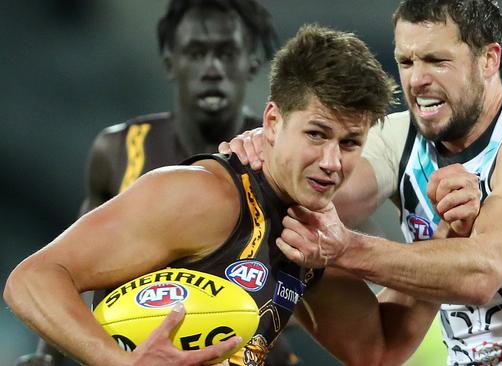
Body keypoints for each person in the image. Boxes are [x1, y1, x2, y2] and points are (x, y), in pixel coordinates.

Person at [2, 24, 473, 366]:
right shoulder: (198, 195)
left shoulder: (311, 235)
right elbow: (32, 280)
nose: (333, 162)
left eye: (350, 144)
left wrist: (444, 238)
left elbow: (376, 349)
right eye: (316, 134)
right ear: (271, 122)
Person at [222, 0, 502, 364]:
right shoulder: (399, 139)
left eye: (436, 61)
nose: (416, 80)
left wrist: (345, 248)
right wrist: (267, 157)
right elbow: (304, 196)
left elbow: (481, 274)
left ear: (489, 60)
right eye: (406, 62)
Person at [12, 1, 299, 365]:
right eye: (196, 53)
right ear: (170, 62)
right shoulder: (121, 149)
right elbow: (78, 262)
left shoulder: (280, 161)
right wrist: (48, 355)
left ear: (253, 63)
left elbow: (323, 268)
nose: (213, 69)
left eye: (228, 53)